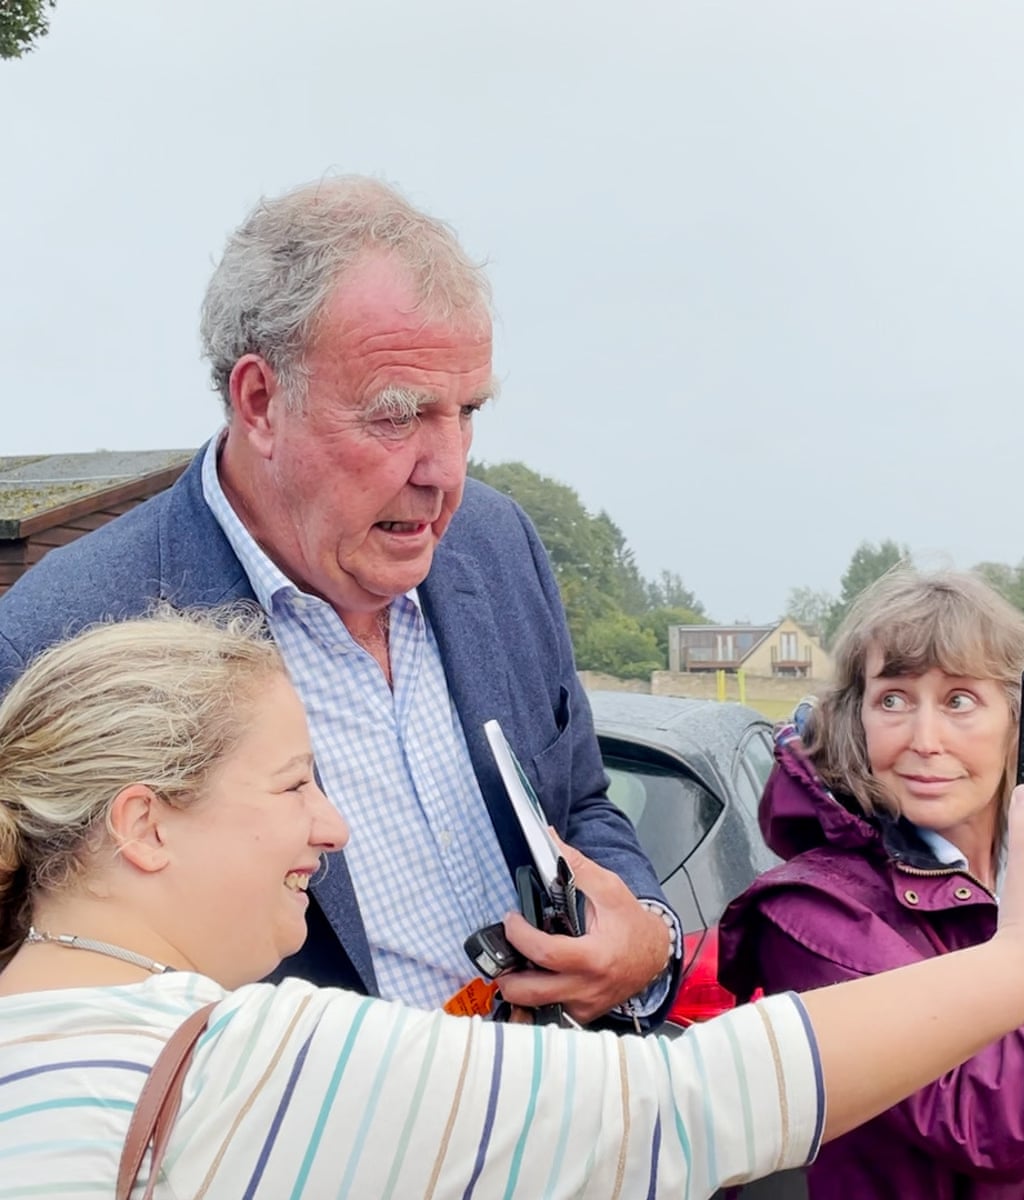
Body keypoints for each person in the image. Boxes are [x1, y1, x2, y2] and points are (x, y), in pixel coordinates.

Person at [0, 609, 1024, 1197]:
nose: (332, 828)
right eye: (296, 785)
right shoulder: (242, 1064)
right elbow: (684, 1104)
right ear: (143, 825)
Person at [0, 175, 676, 1028]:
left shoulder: (498, 546)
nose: (446, 472)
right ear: (260, 403)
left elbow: (578, 802)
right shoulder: (70, 632)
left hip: (561, 1112)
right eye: (397, 417)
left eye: (465, 411)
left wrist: (646, 939)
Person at [719, 569, 1024, 1199]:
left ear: (1023, 724)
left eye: (959, 700)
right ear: (854, 719)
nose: (924, 740)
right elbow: (982, 1120)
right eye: (892, 699)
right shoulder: (811, 915)